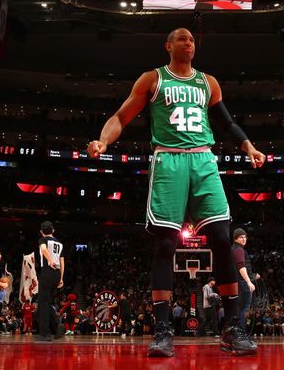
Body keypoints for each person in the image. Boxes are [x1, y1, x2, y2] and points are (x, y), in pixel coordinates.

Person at [87, 28, 264, 357]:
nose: (188, 43)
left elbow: (226, 123)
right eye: (182, 39)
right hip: (168, 159)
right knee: (166, 243)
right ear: (168, 46)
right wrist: (103, 141)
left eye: (192, 40)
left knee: (223, 239)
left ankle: (233, 328)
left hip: (204, 159)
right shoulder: (152, 79)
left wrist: (248, 146)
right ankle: (163, 330)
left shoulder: (208, 82)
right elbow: (121, 116)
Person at [34, 221, 64, 342]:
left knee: (43, 303)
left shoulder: (43, 240)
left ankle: (45, 334)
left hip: (47, 271)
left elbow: (43, 249)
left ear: (41, 232)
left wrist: (50, 260)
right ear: (53, 231)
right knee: (48, 302)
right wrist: (61, 278)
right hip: (57, 274)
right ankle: (57, 325)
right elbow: (62, 261)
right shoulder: (60, 244)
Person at [232, 228, 258, 331]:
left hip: (238, 282)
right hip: (242, 283)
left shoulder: (235, 249)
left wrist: (253, 275)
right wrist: (249, 282)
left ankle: (237, 332)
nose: (244, 239)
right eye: (241, 237)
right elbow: (241, 267)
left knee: (240, 309)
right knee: (243, 309)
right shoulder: (238, 250)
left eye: (245, 237)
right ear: (235, 239)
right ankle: (241, 333)